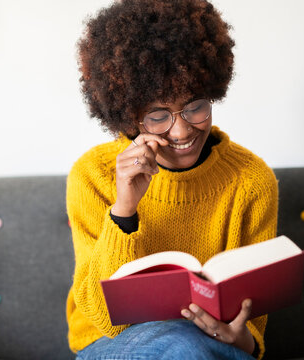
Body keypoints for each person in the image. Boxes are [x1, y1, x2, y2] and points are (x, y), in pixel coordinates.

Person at [65, 0, 278, 359]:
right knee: (183, 344)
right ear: (128, 116)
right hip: (112, 347)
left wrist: (239, 337)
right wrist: (125, 208)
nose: (181, 130)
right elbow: (106, 319)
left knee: (194, 347)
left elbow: (251, 330)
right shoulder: (94, 175)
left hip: (213, 348)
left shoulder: (251, 180)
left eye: (194, 105)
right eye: (157, 115)